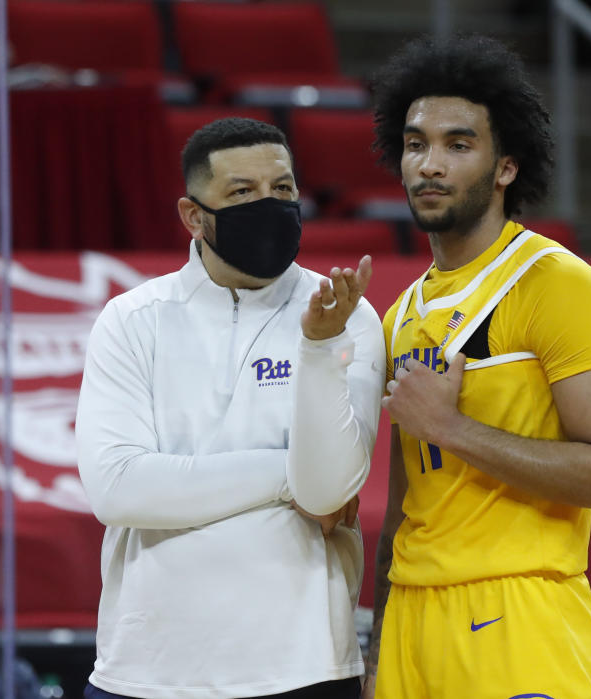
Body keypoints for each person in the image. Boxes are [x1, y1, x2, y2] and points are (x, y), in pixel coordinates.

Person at [362, 35, 591, 699]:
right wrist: (375, 650)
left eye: (458, 145)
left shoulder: (554, 283)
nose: (429, 164)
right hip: (410, 616)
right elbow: (404, 505)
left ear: (505, 167)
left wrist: (452, 428)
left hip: (519, 612)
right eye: (414, 143)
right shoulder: (398, 313)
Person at [75, 117, 385, 699]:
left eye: (283, 190)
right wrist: (282, 473)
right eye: (242, 193)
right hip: (146, 670)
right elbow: (117, 490)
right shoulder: (132, 318)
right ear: (194, 216)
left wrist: (318, 347)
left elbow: (323, 493)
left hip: (302, 666)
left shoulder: (348, 316)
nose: (269, 206)